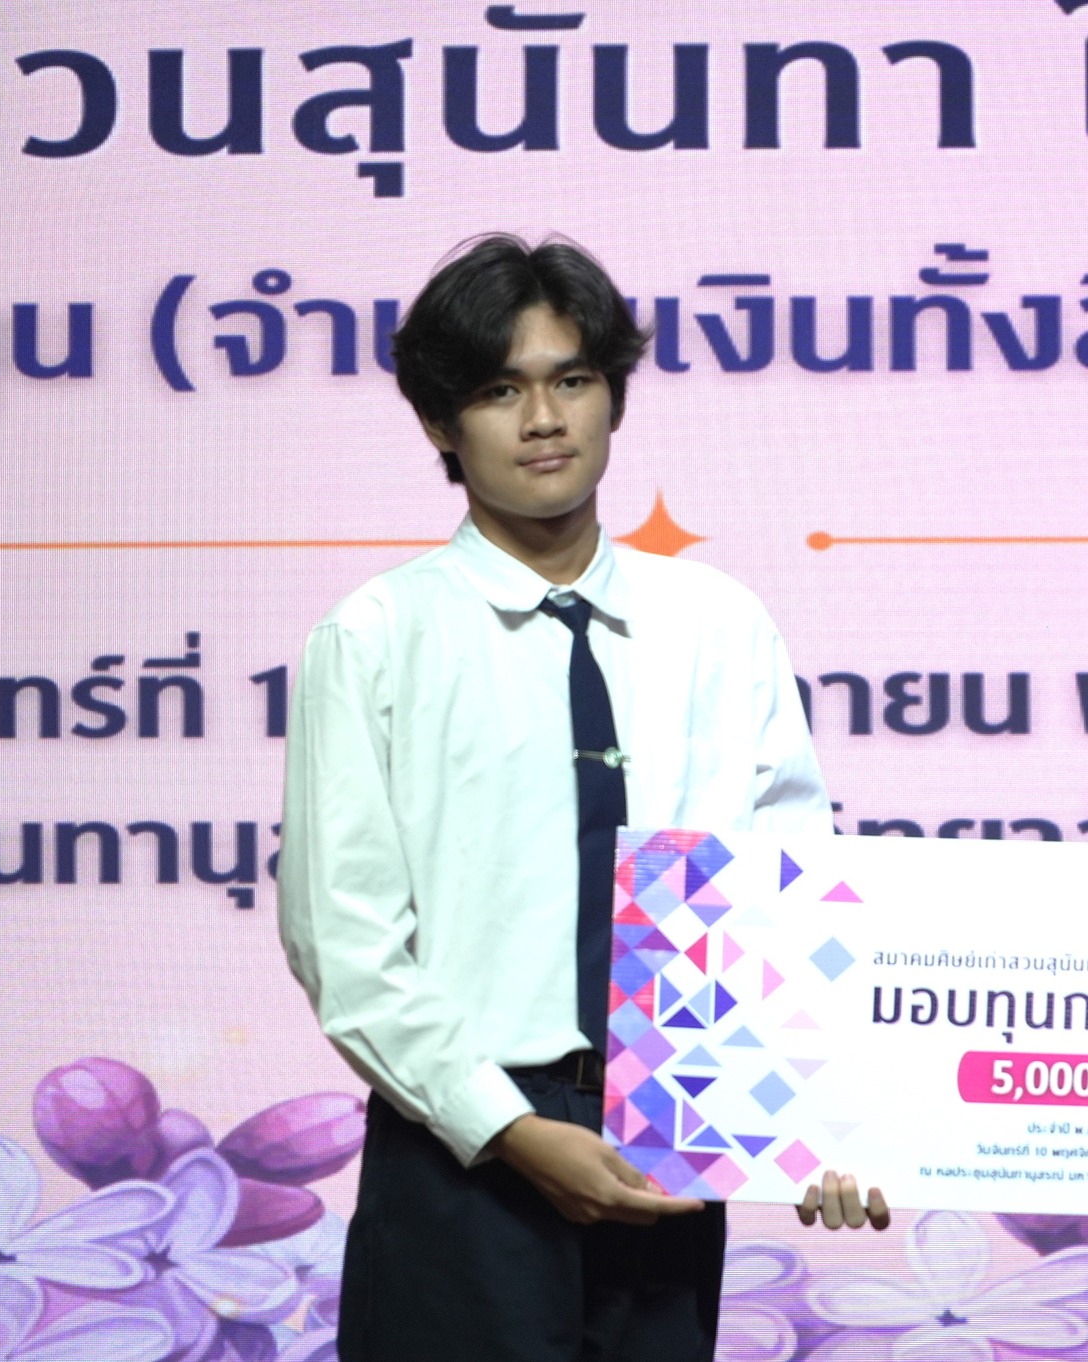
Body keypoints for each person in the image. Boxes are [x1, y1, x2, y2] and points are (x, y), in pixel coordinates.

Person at [278, 234, 886, 1362]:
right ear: (439, 423)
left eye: (572, 380)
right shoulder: (375, 638)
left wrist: (817, 1122)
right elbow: (344, 942)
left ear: (613, 397)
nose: (544, 419)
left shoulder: (718, 624)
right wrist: (509, 1129)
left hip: (671, 1134)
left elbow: (789, 897)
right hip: (460, 1152)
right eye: (499, 391)